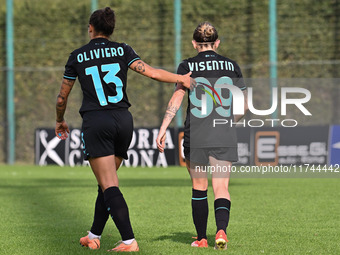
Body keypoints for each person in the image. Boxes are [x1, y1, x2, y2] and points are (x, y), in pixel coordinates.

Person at [55, 7, 195, 252]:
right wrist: (180, 78)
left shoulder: (77, 56)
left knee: (109, 184)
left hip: (97, 122)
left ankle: (129, 241)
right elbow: (151, 72)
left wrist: (60, 120)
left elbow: (61, 99)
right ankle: (94, 235)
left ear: (90, 28)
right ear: (111, 30)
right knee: (106, 184)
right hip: (123, 120)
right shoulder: (123, 49)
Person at [156, 22, 248, 250]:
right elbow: (244, 105)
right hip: (223, 134)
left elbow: (177, 98)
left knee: (199, 187)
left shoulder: (187, 65)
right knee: (221, 187)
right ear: (217, 43)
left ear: (194, 44)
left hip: (196, 135)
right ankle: (221, 231)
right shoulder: (232, 66)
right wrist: (229, 122)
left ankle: (201, 239)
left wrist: (164, 126)